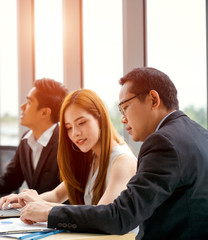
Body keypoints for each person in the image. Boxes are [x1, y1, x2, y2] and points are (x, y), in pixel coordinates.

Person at [19, 67, 208, 240]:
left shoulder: (163, 144)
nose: (124, 119)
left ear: (153, 99)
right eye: (68, 127)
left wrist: (48, 213)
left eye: (125, 107)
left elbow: (119, 217)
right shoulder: (200, 134)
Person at [0, 89, 137, 212]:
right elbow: (57, 195)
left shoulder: (122, 160)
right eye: (69, 127)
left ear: (100, 119)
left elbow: (103, 214)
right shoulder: (90, 157)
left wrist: (45, 208)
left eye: (81, 122)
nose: (75, 133)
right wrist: (24, 200)